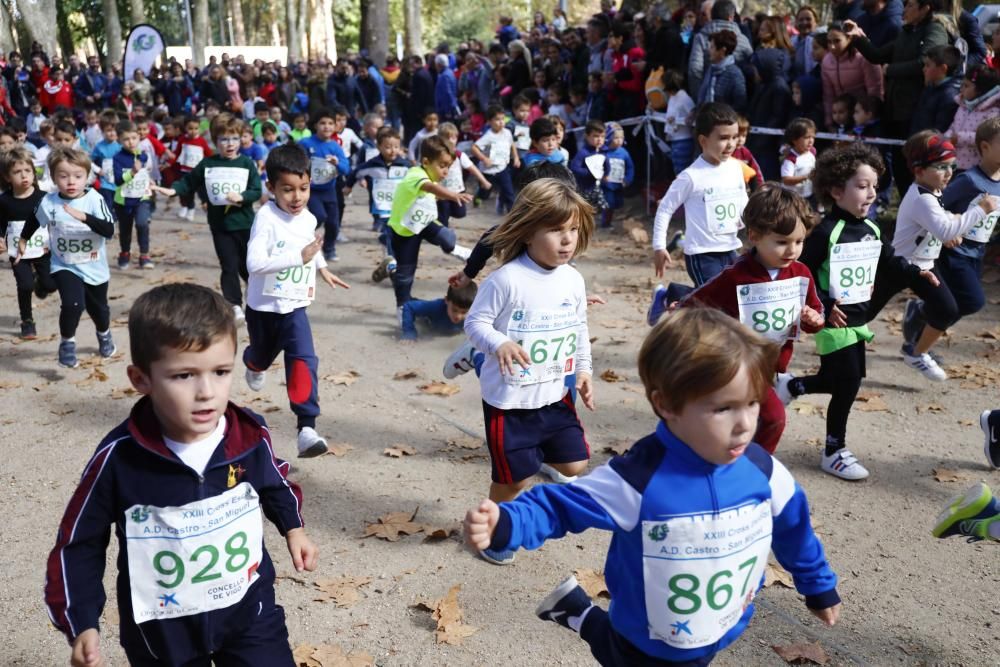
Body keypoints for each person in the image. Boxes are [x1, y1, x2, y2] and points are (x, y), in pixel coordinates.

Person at [464, 307, 840, 665]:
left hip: (722, 625)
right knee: (625, 657)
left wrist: (817, 585)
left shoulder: (763, 470)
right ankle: (579, 615)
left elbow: (795, 530)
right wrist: (508, 523)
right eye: (723, 408)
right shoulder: (640, 478)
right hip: (646, 638)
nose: (744, 424)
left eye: (753, 403)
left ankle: (574, 610)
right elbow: (560, 504)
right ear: (668, 405)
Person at [43, 283, 319, 667]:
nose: (206, 391)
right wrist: (82, 622)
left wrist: (293, 527)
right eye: (183, 376)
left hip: (249, 615)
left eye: (221, 371)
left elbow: (275, 480)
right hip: (162, 635)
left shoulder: (248, 435)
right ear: (141, 379)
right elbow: (78, 542)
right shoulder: (119, 458)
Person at [775, 143, 939, 480]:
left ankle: (792, 387)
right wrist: (824, 304)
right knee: (848, 381)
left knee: (841, 379)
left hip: (858, 318)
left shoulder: (872, 229)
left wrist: (916, 273)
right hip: (832, 320)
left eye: (875, 187)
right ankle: (834, 450)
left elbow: (890, 260)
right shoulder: (825, 232)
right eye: (862, 186)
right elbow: (801, 273)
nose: (871, 194)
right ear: (837, 191)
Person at [463, 178, 595, 565]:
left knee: (575, 464)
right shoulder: (505, 280)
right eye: (556, 230)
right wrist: (498, 343)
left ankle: (530, 455)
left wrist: (584, 371)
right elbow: (475, 323)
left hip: (555, 392)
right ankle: (489, 527)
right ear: (527, 230)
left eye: (573, 229)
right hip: (510, 400)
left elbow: (579, 328)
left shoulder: (573, 278)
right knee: (513, 480)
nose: (567, 239)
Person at [680, 184, 825, 454]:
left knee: (759, 420)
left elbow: (815, 311)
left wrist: (813, 319)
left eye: (799, 241)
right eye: (782, 242)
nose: (791, 250)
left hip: (769, 366)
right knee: (771, 418)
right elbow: (695, 303)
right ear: (755, 236)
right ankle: (745, 467)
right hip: (734, 363)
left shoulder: (801, 273)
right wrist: (678, 313)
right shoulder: (736, 275)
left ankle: (744, 465)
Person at [244, 144, 351, 458]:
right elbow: (254, 264)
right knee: (261, 357)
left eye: (303, 188)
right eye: (287, 190)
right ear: (271, 188)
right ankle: (253, 363)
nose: (297, 197)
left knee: (304, 359)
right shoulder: (265, 218)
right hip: (263, 308)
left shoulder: (307, 217)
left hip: (294, 306)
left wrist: (323, 268)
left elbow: (309, 247)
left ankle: (307, 428)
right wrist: (298, 257)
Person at [883, 131, 996, 378]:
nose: (949, 172)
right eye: (941, 166)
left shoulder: (931, 192)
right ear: (919, 170)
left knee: (949, 308)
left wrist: (952, 222)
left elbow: (942, 218)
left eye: (951, 166)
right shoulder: (924, 196)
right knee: (866, 309)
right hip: (903, 265)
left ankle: (916, 353)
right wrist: (979, 210)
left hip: (925, 265)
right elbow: (944, 226)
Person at [154, 114, 263, 322]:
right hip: (220, 226)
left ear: (241, 139)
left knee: (248, 264)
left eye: (233, 139)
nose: (229, 144)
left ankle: (255, 292)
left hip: (244, 224)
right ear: (215, 140)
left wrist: (242, 197)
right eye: (223, 139)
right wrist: (172, 191)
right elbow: (188, 181)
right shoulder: (208, 164)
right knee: (228, 265)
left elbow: (256, 190)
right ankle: (234, 305)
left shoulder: (246, 163)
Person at [18, 147, 116, 368]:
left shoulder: (94, 199)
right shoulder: (49, 202)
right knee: (72, 304)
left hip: (94, 267)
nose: (71, 181)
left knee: (98, 309)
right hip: (64, 264)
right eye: (63, 176)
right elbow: (34, 220)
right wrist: (24, 239)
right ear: (53, 178)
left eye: (78, 176)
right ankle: (67, 344)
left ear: (87, 177)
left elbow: (109, 230)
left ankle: (104, 333)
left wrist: (84, 217)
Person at [650, 103, 746, 294]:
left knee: (734, 299)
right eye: (723, 138)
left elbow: (743, 201)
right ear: (703, 140)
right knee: (714, 301)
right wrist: (659, 247)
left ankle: (672, 295)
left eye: (734, 137)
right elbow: (665, 208)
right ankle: (669, 296)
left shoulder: (736, 167)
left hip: (730, 249)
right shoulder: (691, 176)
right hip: (702, 254)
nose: (731, 144)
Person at [386, 135, 473, 309]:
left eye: (448, 166)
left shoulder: (431, 178)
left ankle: (459, 251)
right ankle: (402, 306)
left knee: (448, 237)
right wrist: (453, 195)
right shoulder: (415, 174)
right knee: (406, 275)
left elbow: (433, 192)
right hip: (404, 232)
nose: (446, 171)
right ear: (426, 162)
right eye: (442, 166)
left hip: (424, 224)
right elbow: (429, 187)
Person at [931, 118, 1000, 334]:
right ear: (985, 147)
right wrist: (948, 224)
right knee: (972, 301)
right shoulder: (968, 180)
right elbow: (934, 205)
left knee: (954, 303)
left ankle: (920, 328)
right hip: (954, 251)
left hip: (976, 252)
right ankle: (921, 326)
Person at [0, 147, 55, 339]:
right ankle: (27, 320)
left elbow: (53, 222)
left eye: (27, 170)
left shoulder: (43, 198)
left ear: (33, 172)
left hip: (43, 249)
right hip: (18, 253)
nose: (23, 176)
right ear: (7, 177)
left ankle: (42, 285)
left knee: (50, 284)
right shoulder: (4, 200)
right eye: (17, 172)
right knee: (25, 285)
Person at [353, 126, 410, 280]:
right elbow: (357, 171)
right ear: (379, 147)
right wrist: (348, 185)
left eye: (396, 147)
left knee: (397, 235)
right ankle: (391, 262)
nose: (392, 151)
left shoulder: (405, 165)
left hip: (401, 207)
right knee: (388, 231)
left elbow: (417, 180)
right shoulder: (372, 164)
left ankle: (388, 249)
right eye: (388, 147)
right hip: (382, 207)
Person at [298, 108, 350, 262]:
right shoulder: (306, 143)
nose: (326, 127)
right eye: (322, 123)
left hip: (330, 190)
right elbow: (296, 162)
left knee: (333, 223)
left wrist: (337, 163)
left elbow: (346, 168)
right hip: (312, 190)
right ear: (315, 125)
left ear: (335, 127)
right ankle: (302, 236)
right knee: (319, 215)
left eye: (330, 123)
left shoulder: (335, 147)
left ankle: (329, 249)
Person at [821, 21, 884, 131]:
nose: (832, 46)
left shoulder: (864, 58)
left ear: (849, 38)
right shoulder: (826, 61)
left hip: (864, 120)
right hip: (841, 119)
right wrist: (830, 123)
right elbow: (828, 96)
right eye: (829, 42)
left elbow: (875, 92)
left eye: (837, 41)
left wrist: (866, 122)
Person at [111, 120, 154, 270]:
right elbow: (117, 180)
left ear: (139, 137)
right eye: (126, 139)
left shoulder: (143, 155)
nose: (131, 142)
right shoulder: (117, 158)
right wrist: (131, 173)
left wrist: (150, 181)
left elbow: (145, 170)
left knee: (142, 224)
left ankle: (145, 255)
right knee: (125, 229)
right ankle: (125, 253)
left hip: (141, 198)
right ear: (119, 140)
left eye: (134, 138)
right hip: (123, 200)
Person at [944, 66, 1000, 172]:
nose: (961, 89)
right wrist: (945, 138)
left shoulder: (993, 111)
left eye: (966, 86)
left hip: (974, 166)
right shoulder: (963, 106)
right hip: (955, 162)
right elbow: (954, 125)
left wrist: (959, 138)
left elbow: (988, 137)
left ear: (980, 89)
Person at [436, 122, 490, 228]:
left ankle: (443, 216)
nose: (452, 140)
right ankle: (444, 235)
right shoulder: (437, 155)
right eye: (448, 138)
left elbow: (472, 168)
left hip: (458, 190)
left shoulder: (459, 155)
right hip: (442, 192)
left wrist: (484, 181)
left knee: (460, 213)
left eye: (454, 137)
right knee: (443, 220)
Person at [471, 105, 519, 215]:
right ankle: (478, 196)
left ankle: (512, 214)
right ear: (489, 122)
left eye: (503, 119)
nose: (501, 122)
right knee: (486, 192)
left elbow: (512, 144)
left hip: (502, 168)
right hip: (488, 170)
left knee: (509, 191)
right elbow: (474, 148)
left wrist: (516, 158)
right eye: (497, 119)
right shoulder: (488, 136)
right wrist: (484, 158)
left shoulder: (507, 132)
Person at [910, 45, 962, 135]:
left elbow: (939, 131)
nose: (924, 69)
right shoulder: (931, 87)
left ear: (943, 69)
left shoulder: (950, 97)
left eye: (928, 65)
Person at [400, 282, 477, 342]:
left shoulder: (475, 315)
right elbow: (409, 306)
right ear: (446, 300)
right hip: (426, 321)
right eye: (454, 310)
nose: (458, 316)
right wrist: (409, 332)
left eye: (464, 312)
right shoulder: (436, 307)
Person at [173, 116, 214, 221]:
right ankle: (190, 209)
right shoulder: (182, 140)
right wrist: (170, 163)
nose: (193, 131)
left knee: (202, 192)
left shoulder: (201, 141)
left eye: (196, 128)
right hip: (186, 172)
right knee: (187, 193)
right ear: (185, 128)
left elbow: (209, 154)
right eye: (190, 128)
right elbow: (176, 153)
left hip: (199, 173)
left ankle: (207, 209)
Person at [696, 30, 747, 113]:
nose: (709, 50)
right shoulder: (711, 69)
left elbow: (739, 105)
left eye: (712, 47)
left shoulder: (735, 74)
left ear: (722, 50)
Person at [661, 70, 696, 176]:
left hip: (684, 140)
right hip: (674, 139)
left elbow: (693, 115)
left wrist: (683, 119)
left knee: (682, 171)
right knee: (677, 170)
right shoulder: (672, 98)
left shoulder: (685, 98)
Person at [599, 122, 633, 229]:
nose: (619, 141)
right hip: (606, 185)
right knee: (609, 203)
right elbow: (596, 166)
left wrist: (628, 179)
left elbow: (630, 167)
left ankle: (609, 219)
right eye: (616, 138)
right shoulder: (602, 152)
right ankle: (605, 223)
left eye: (621, 138)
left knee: (617, 203)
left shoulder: (624, 153)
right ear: (608, 137)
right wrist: (602, 177)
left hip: (619, 184)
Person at [780, 118, 818, 203]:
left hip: (808, 195)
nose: (811, 141)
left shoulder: (812, 152)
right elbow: (786, 180)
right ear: (794, 140)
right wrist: (805, 177)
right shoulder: (791, 160)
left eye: (813, 137)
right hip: (792, 199)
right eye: (807, 137)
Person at [90, 119, 121, 217]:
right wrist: (98, 170)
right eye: (108, 131)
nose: (112, 133)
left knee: (118, 207)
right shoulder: (99, 147)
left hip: (119, 183)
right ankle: (109, 226)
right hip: (105, 183)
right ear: (102, 132)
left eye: (114, 130)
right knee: (107, 205)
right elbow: (89, 161)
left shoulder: (121, 146)